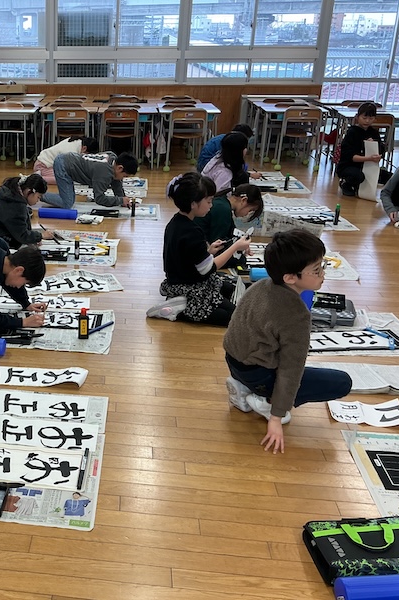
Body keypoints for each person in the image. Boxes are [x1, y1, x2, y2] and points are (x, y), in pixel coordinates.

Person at [223, 229, 353, 454]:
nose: (323, 273)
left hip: (234, 363)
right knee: (342, 382)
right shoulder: (297, 315)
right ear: (290, 277)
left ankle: (244, 386)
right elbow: (291, 369)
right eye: (316, 270)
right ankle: (264, 401)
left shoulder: (260, 286)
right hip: (258, 375)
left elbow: (236, 329)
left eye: (322, 266)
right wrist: (276, 416)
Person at [146, 173, 250, 325]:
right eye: (208, 201)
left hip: (179, 280)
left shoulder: (175, 222)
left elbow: (185, 257)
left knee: (229, 288)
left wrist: (208, 252)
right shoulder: (193, 232)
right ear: (193, 204)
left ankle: (179, 301)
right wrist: (235, 246)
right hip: (189, 286)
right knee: (234, 316)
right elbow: (208, 269)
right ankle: (181, 309)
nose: (211, 205)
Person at [0, 174, 55, 249]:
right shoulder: (14, 205)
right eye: (38, 197)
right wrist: (41, 236)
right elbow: (22, 235)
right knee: (20, 251)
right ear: (29, 191)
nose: (38, 201)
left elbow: (23, 226)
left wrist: (32, 238)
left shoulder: (12, 195)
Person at [41, 151, 138, 209]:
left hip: (69, 159)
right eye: (125, 176)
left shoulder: (112, 158)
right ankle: (38, 194)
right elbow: (99, 199)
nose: (123, 179)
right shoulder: (103, 173)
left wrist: (123, 198)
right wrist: (120, 200)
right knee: (67, 203)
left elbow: (116, 182)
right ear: (120, 168)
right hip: (63, 166)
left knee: (69, 199)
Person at [336, 102, 384, 197]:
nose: (367, 121)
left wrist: (376, 149)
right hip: (349, 166)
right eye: (364, 118)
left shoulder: (374, 132)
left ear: (375, 118)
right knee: (358, 176)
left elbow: (381, 149)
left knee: (388, 177)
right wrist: (369, 158)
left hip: (368, 166)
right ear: (358, 117)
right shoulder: (352, 132)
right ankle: (346, 183)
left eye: (371, 118)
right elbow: (350, 156)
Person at [194, 183, 264, 247]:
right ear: (243, 200)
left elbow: (231, 233)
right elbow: (218, 243)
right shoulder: (223, 209)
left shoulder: (223, 203)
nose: (247, 214)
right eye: (250, 210)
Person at [33, 136, 98, 185]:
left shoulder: (76, 141)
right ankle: (37, 178)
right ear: (84, 148)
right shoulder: (71, 152)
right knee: (62, 179)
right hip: (44, 165)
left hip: (48, 164)